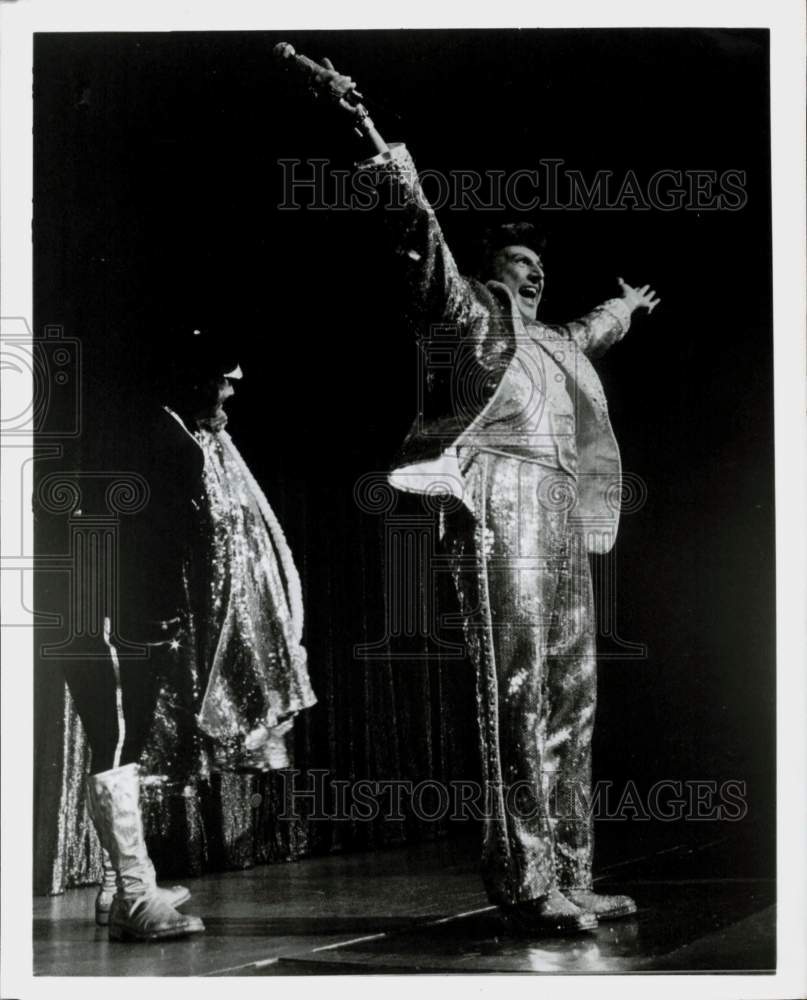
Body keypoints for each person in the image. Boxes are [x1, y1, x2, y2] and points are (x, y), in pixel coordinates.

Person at [304, 58, 659, 934]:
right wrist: (372, 140)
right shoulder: (468, 319)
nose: (531, 276)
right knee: (520, 687)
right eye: (516, 263)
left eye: (540, 266)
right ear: (490, 271)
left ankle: (573, 872)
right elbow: (418, 234)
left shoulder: (555, 343)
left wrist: (625, 307)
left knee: (573, 691)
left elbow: (589, 332)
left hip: (563, 514)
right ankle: (527, 880)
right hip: (500, 505)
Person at [62, 330, 316, 941]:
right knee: (118, 745)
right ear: (191, 377)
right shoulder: (150, 432)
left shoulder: (173, 431)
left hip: (133, 618)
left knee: (123, 746)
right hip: (107, 617)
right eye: (221, 378)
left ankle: (117, 884)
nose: (229, 390)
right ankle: (133, 895)